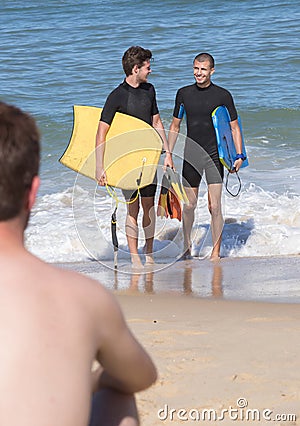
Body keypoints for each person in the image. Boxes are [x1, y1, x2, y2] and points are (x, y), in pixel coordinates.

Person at [0, 101, 157, 426]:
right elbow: (142, 376)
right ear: (33, 193)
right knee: (119, 394)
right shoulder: (81, 296)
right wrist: (95, 380)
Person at [96, 46, 173, 269]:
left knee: (148, 207)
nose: (150, 70)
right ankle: (134, 257)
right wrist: (100, 167)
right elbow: (102, 131)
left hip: (148, 159)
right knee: (133, 208)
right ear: (136, 68)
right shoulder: (116, 96)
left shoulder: (150, 90)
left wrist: (167, 153)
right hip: (127, 162)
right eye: (147, 67)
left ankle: (148, 253)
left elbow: (157, 122)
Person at [168, 53, 245, 261]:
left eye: (203, 69)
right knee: (189, 205)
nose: (198, 73)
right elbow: (175, 126)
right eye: (195, 68)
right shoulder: (183, 94)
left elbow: (234, 127)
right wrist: (168, 153)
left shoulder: (223, 95)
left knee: (215, 206)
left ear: (212, 70)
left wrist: (238, 155)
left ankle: (216, 252)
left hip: (213, 156)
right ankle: (186, 246)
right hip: (191, 155)